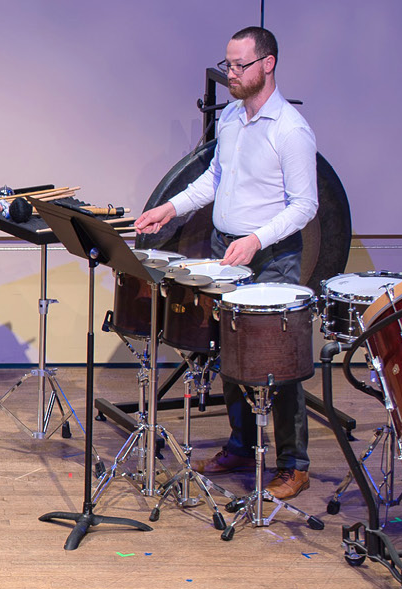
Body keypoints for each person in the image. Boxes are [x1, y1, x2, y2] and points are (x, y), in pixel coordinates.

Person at [134, 26, 318, 500]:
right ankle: (241, 445)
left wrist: (256, 239)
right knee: (229, 350)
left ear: (268, 64)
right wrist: (171, 207)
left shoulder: (291, 131)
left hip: (271, 255)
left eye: (239, 66)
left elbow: (305, 206)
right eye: (229, 64)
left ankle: (294, 464)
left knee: (277, 362)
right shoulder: (234, 118)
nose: (230, 74)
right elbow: (216, 179)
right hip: (226, 247)